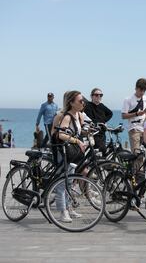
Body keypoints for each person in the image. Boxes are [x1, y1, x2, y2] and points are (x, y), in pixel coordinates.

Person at [54, 90, 86, 223]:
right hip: (65, 152)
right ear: (72, 103)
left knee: (70, 181)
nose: (83, 102)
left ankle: (68, 208)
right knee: (63, 183)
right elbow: (61, 135)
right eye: (80, 101)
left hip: (73, 153)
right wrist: (77, 141)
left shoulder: (79, 115)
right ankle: (63, 212)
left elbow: (80, 130)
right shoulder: (66, 116)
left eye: (83, 100)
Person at [122, 78, 146, 170]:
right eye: (141, 89)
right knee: (136, 155)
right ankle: (136, 177)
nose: (142, 92)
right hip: (134, 129)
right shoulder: (128, 99)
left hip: (145, 129)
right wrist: (137, 114)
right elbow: (123, 115)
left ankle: (140, 175)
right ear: (136, 88)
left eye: (144, 90)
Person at [83, 88, 113, 152]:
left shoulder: (101, 105)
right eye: (96, 95)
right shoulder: (88, 106)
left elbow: (110, 113)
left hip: (102, 132)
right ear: (91, 96)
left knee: (103, 150)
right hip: (93, 132)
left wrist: (104, 121)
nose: (99, 96)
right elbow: (90, 119)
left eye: (100, 95)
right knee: (99, 150)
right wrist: (101, 122)